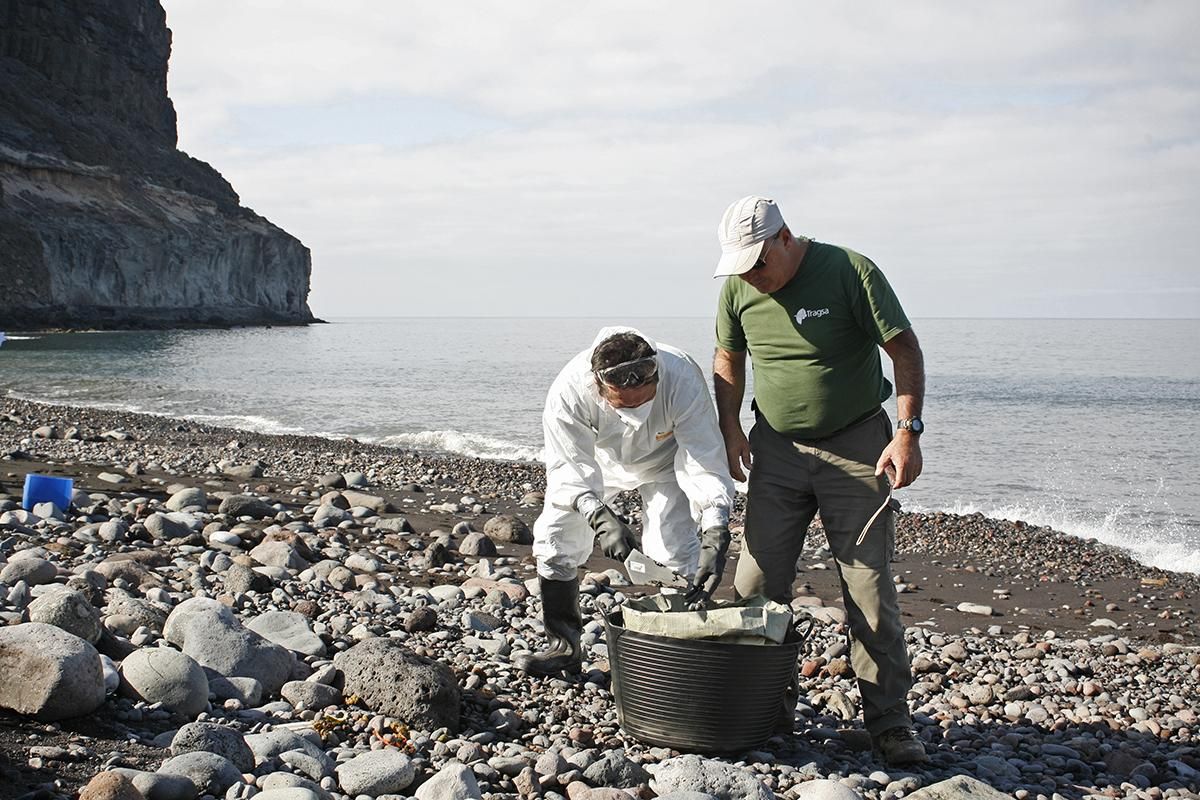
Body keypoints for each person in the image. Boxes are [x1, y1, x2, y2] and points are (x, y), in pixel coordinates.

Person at [710, 196, 928, 765]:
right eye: (740, 267)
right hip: (775, 450)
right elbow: (728, 358)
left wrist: (907, 432)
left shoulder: (850, 269)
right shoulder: (738, 286)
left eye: (758, 263)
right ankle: (767, 708)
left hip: (857, 446)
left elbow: (903, 348)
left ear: (785, 238)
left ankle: (890, 724)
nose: (751, 277)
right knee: (756, 584)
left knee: (868, 591)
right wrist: (730, 429)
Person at [514, 326, 735, 676]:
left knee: (673, 549)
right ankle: (564, 646)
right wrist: (599, 518)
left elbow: (703, 456)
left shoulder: (681, 375)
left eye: (645, 399)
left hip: (667, 460)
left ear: (657, 375)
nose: (635, 410)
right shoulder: (569, 390)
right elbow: (568, 468)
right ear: (598, 387)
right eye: (622, 403)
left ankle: (684, 649)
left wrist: (716, 524)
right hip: (601, 465)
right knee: (556, 538)